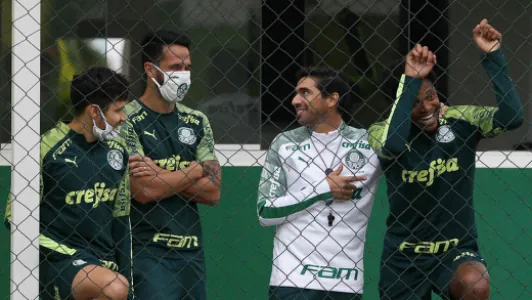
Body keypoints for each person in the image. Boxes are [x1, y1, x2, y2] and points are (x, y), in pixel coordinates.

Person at [368, 19, 524, 300]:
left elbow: (512, 118)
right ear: (400, 102)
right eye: (415, 102)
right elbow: (392, 144)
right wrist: (410, 79)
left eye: (431, 96)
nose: (427, 107)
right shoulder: (380, 132)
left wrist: (493, 56)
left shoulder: (459, 120)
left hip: (456, 251)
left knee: (474, 284)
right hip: (404, 256)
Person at [5, 67, 133, 300]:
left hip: (106, 265)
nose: (124, 118)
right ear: (95, 111)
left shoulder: (119, 151)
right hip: (60, 262)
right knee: (114, 287)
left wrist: (126, 274)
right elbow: (14, 218)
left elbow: (121, 219)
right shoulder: (44, 148)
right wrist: (68, 252)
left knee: (119, 286)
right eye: (119, 110)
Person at [257, 67, 382, 300]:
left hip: (347, 280)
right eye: (296, 93)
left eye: (305, 93)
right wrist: (323, 189)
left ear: (332, 99)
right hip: (291, 278)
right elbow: (265, 211)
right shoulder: (285, 144)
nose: (295, 100)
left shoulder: (369, 143)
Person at [119, 30, 221, 300]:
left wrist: (162, 175)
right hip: (147, 252)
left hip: (192, 252)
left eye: (188, 67)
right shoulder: (125, 118)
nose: (184, 74)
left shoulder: (197, 120)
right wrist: (195, 170)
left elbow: (213, 191)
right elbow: (143, 190)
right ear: (151, 70)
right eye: (176, 67)